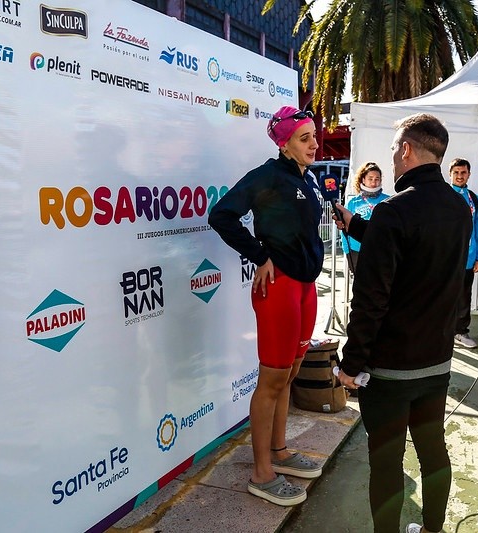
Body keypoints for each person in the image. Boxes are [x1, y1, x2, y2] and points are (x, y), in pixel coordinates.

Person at [335, 113, 471, 533]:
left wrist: (350, 363)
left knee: (386, 461)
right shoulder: (459, 207)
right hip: (436, 361)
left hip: (390, 369)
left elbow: (370, 300)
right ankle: (432, 528)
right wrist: (359, 225)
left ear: (407, 149)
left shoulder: (394, 211)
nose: (392, 158)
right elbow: (420, 250)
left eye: (395, 149)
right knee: (433, 450)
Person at [208, 106, 324, 507]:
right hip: (279, 288)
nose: (314, 144)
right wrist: (259, 255)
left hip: (306, 287)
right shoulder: (267, 175)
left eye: (314, 136)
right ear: (284, 143)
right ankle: (261, 473)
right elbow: (221, 215)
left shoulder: (307, 178)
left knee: (289, 374)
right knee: (272, 380)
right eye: (305, 138)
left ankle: (279, 452)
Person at [448, 157, 478, 348]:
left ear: (469, 174)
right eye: (456, 172)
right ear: (450, 174)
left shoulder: (474, 199)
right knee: (442, 295)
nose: (459, 176)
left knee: (464, 296)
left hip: (468, 258)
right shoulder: (443, 195)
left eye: (463, 172)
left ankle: (460, 331)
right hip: (446, 258)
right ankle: (439, 332)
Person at [340, 162, 389, 271]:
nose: (374, 182)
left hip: (381, 250)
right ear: (363, 180)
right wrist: (347, 251)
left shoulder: (389, 200)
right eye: (370, 179)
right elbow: (344, 228)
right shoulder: (353, 202)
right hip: (356, 250)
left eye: (377, 179)